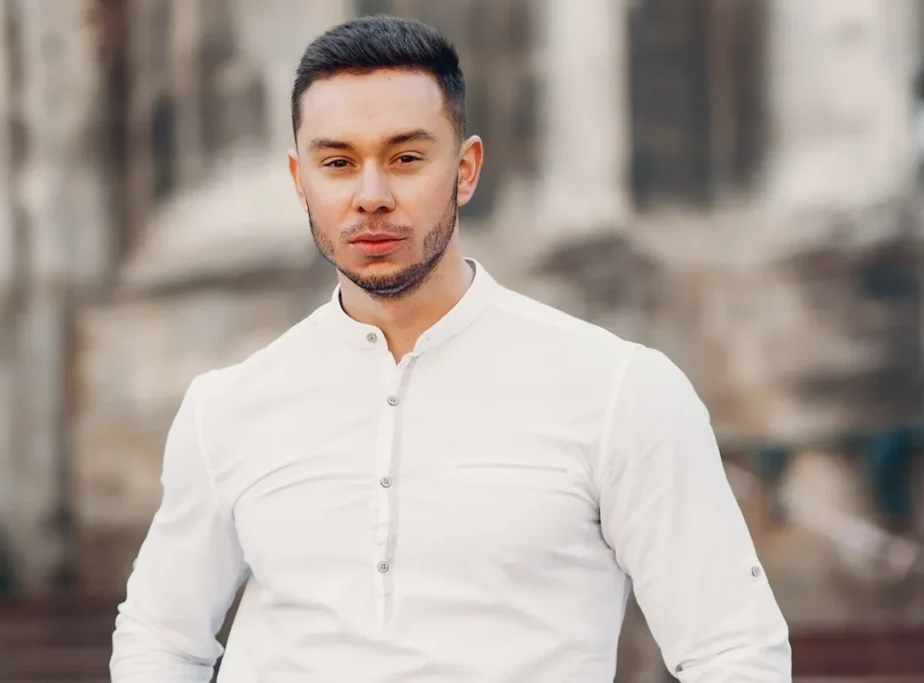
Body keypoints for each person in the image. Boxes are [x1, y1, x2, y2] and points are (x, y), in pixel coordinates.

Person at [110, 15, 791, 683]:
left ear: (465, 170)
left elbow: (731, 648)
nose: (370, 195)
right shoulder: (227, 406)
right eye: (337, 162)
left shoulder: (620, 390)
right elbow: (160, 639)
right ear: (300, 181)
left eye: (405, 157)